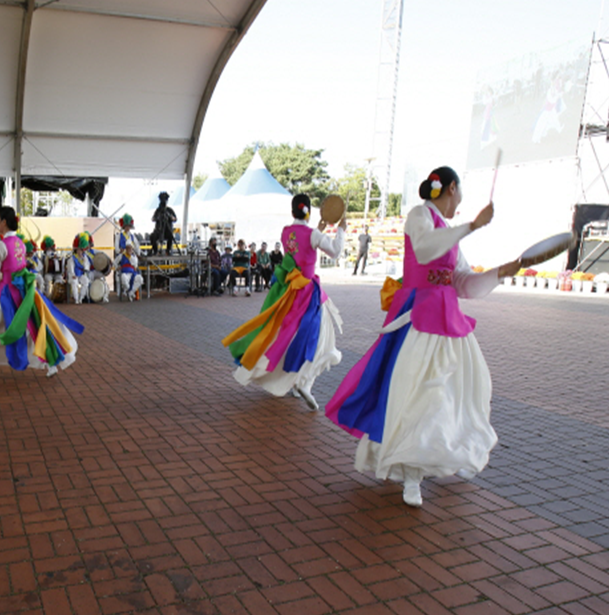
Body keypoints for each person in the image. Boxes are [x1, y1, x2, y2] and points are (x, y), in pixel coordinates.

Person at [325, 167, 520, 507]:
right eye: (460, 193)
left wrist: (499, 273)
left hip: (448, 320)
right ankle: (411, 474)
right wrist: (472, 226)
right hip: (417, 317)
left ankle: (456, 452)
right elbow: (426, 249)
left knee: (461, 391)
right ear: (452, 188)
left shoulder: (448, 231)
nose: (461, 201)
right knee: (415, 392)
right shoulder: (420, 215)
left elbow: (463, 283)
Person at [223, 194, 346, 411]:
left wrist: (317, 229)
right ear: (309, 212)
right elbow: (334, 251)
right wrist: (341, 229)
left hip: (288, 292)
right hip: (308, 294)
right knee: (318, 338)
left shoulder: (286, 231)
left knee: (283, 335)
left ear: (292, 211)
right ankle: (304, 382)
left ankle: (291, 379)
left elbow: (303, 243)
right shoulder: (313, 234)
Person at [0, 206, 84, 378]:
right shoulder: (20, 243)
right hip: (24, 293)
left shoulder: (1, 246)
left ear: (4, 222)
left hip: (7, 296)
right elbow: (12, 270)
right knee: (34, 328)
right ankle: (51, 364)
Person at [68, 234, 92, 304]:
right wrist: (73, 274)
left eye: (81, 250)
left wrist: (83, 260)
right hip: (74, 275)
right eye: (78, 250)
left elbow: (86, 267)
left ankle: (81, 297)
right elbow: (71, 267)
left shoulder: (85, 257)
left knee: (86, 281)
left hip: (81, 274)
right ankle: (76, 299)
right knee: (74, 282)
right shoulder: (72, 258)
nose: (80, 252)